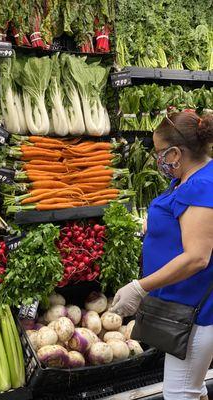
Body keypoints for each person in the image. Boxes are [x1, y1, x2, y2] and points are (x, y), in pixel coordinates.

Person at [110, 111, 213, 400]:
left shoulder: (203, 185)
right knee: (193, 388)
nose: (159, 162)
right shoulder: (193, 178)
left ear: (176, 152)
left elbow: (197, 257)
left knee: (180, 394)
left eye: (160, 154)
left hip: (195, 315)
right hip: (185, 310)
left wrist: (141, 286)